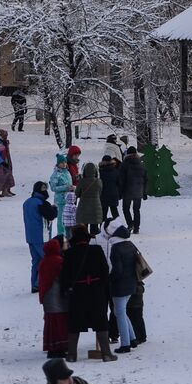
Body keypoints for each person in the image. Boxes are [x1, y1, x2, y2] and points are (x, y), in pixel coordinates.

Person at [61, 225, 115, 362]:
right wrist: (104, 291)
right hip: (96, 292)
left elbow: (64, 277)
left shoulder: (69, 254)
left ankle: (72, 355)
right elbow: (105, 271)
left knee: (74, 323)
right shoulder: (96, 250)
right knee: (101, 321)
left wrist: (65, 291)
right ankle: (106, 353)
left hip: (77, 294)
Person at [106, 225, 140, 354]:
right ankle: (132, 339)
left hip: (120, 286)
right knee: (121, 312)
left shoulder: (116, 248)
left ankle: (125, 344)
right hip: (131, 283)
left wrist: (109, 279)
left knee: (119, 313)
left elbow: (117, 271)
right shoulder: (130, 245)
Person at [38, 238, 70, 358]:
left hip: (47, 296)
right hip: (57, 296)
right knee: (60, 322)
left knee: (50, 323)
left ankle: (51, 346)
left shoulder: (43, 261)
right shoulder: (58, 261)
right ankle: (60, 347)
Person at [24, 181, 57, 291]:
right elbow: (51, 215)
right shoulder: (42, 203)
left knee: (36, 261)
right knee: (47, 259)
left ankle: (34, 283)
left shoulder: (27, 202)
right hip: (41, 236)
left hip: (30, 236)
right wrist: (54, 209)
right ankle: (38, 283)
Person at [121, 146, 146, 234]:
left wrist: (120, 190)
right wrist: (144, 192)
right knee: (136, 210)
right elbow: (146, 179)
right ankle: (136, 228)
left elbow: (121, 179)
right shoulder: (141, 164)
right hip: (138, 190)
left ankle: (130, 224)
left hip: (127, 190)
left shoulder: (124, 164)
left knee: (125, 208)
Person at [50, 153, 74, 238]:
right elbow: (53, 188)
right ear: (58, 163)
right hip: (60, 200)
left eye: (65, 162)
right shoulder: (56, 174)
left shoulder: (67, 172)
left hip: (69, 199)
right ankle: (60, 236)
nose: (64, 164)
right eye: (62, 162)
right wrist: (66, 187)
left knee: (68, 219)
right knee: (61, 219)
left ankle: (68, 236)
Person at [0, 131, 15, 200]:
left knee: (7, 175)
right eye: (4, 136)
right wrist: (2, 162)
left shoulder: (2, 142)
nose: (6, 137)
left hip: (3, 162)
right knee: (0, 178)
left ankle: (5, 191)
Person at [98, 154, 121, 223]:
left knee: (103, 212)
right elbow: (119, 183)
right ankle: (118, 225)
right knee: (114, 211)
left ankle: (103, 227)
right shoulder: (116, 171)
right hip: (114, 194)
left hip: (103, 194)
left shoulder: (100, 172)